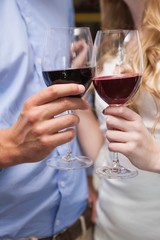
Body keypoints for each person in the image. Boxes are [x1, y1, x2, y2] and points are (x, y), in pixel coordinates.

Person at [0, 1, 104, 239]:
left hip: (81, 225)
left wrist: (88, 179)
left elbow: (64, 100)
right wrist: (8, 148)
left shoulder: (60, 3)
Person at [94, 0, 160, 239]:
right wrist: (74, 95)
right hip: (110, 224)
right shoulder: (117, 37)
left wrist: (155, 157)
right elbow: (105, 142)